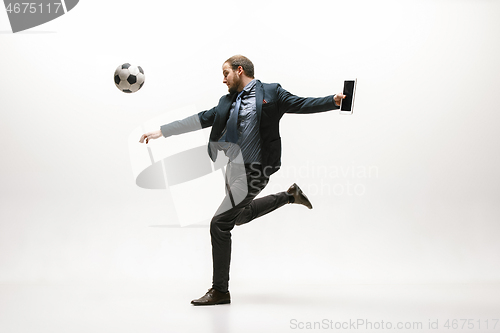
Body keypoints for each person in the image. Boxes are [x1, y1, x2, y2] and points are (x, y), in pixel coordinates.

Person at [139, 55, 345, 305]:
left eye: (226, 73)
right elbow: (202, 118)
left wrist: (332, 102)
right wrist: (162, 131)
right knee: (241, 215)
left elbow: (301, 104)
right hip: (233, 169)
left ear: (239, 70)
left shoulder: (272, 92)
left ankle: (220, 291)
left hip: (257, 169)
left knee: (219, 223)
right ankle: (290, 195)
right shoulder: (226, 102)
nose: (223, 79)